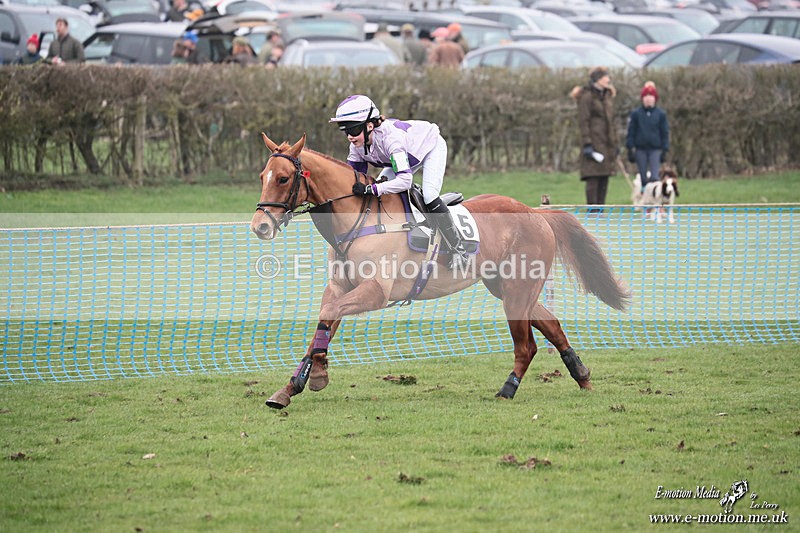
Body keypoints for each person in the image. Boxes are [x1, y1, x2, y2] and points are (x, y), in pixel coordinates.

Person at [329, 94, 469, 269]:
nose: (350, 136)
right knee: (379, 192)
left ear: (369, 126)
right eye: (346, 131)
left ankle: (458, 249)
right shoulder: (356, 146)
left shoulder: (391, 140)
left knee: (430, 196)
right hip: (405, 155)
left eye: (354, 130)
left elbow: (405, 181)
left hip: (430, 148)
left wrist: (372, 189)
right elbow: (352, 180)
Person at [570, 66, 618, 211]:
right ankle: (592, 212)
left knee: (604, 177)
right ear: (597, 79)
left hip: (606, 143)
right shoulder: (587, 97)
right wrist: (587, 144)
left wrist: (614, 143)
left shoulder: (607, 96)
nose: (608, 79)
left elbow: (611, 121)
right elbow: (583, 122)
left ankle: (600, 211)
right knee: (593, 178)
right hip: (593, 142)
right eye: (605, 77)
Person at [626, 81, 670, 190]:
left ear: (655, 99)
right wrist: (630, 147)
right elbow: (631, 131)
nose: (648, 99)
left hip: (655, 149)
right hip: (641, 149)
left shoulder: (660, 114)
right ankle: (643, 196)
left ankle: (654, 196)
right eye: (646, 96)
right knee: (643, 177)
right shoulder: (636, 114)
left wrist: (665, 149)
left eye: (651, 96)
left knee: (655, 176)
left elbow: (664, 132)